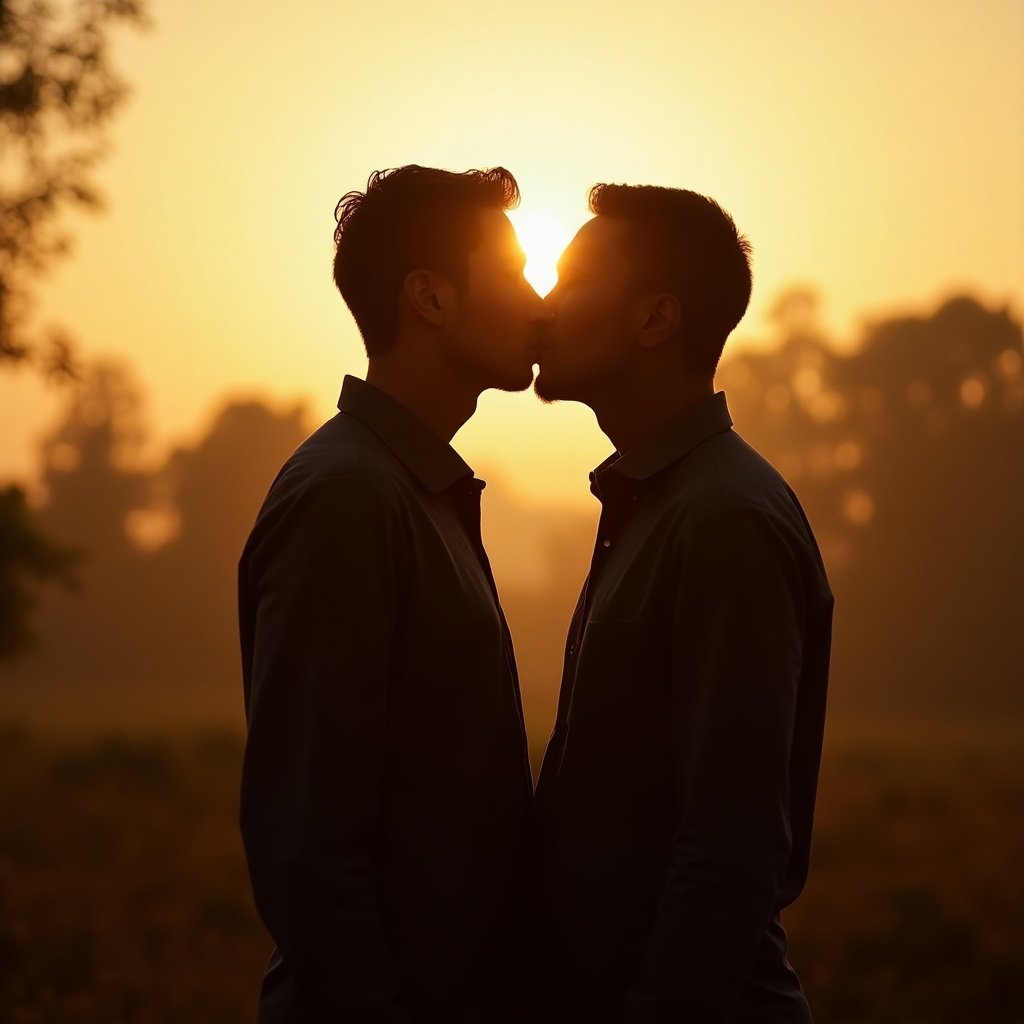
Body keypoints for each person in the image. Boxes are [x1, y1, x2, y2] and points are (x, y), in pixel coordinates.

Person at [238, 165, 549, 1023]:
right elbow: (306, 839)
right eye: (516, 271)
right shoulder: (348, 498)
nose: (539, 300)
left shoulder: (410, 491)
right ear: (431, 298)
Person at [531, 184, 834, 1023]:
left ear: (655, 319)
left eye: (569, 282)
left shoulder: (725, 519)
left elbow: (731, 841)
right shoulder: (659, 504)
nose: (541, 310)